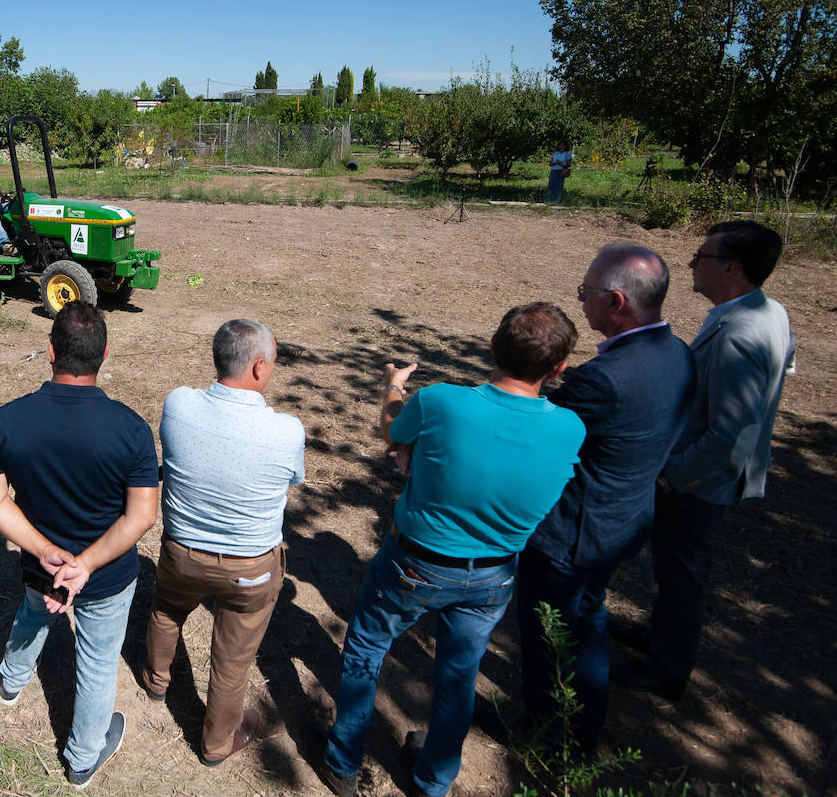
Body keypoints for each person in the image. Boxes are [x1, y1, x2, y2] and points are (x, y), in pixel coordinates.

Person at [321, 303, 586, 797]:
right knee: (460, 673)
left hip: (414, 563)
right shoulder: (570, 428)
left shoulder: (442, 402)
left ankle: (343, 760)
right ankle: (434, 778)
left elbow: (391, 429)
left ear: (492, 347)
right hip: (495, 574)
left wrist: (395, 386)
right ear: (559, 368)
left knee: (366, 648)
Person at [514, 244, 696, 749]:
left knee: (549, 631)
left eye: (586, 294)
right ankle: (587, 719)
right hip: (625, 519)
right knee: (589, 616)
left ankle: (548, 734)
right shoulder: (678, 353)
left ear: (616, 301)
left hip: (574, 532)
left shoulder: (605, 379)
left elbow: (537, 432)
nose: (582, 302)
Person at [0, 301, 160, 788]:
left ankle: (11, 682)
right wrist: (85, 564)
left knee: (34, 610)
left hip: (42, 566)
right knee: (97, 662)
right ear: (103, 355)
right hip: (106, 576)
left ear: (51, 350)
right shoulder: (132, 430)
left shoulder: (6, 420)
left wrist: (42, 550)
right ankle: (82, 758)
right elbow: (142, 516)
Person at [614, 221, 795, 700]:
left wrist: (674, 476)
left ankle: (665, 667)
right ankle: (661, 638)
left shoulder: (740, 332)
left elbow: (731, 432)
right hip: (706, 473)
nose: (691, 264)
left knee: (682, 573)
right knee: (675, 570)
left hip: (700, 480)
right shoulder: (767, 311)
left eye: (702, 256)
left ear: (731, 268)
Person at [141, 319, 306, 765]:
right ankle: (216, 744)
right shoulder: (287, 430)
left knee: (166, 609)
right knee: (232, 660)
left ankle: (156, 681)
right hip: (250, 566)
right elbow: (294, 478)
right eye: (272, 362)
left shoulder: (178, 405)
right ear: (257, 367)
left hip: (181, 552)